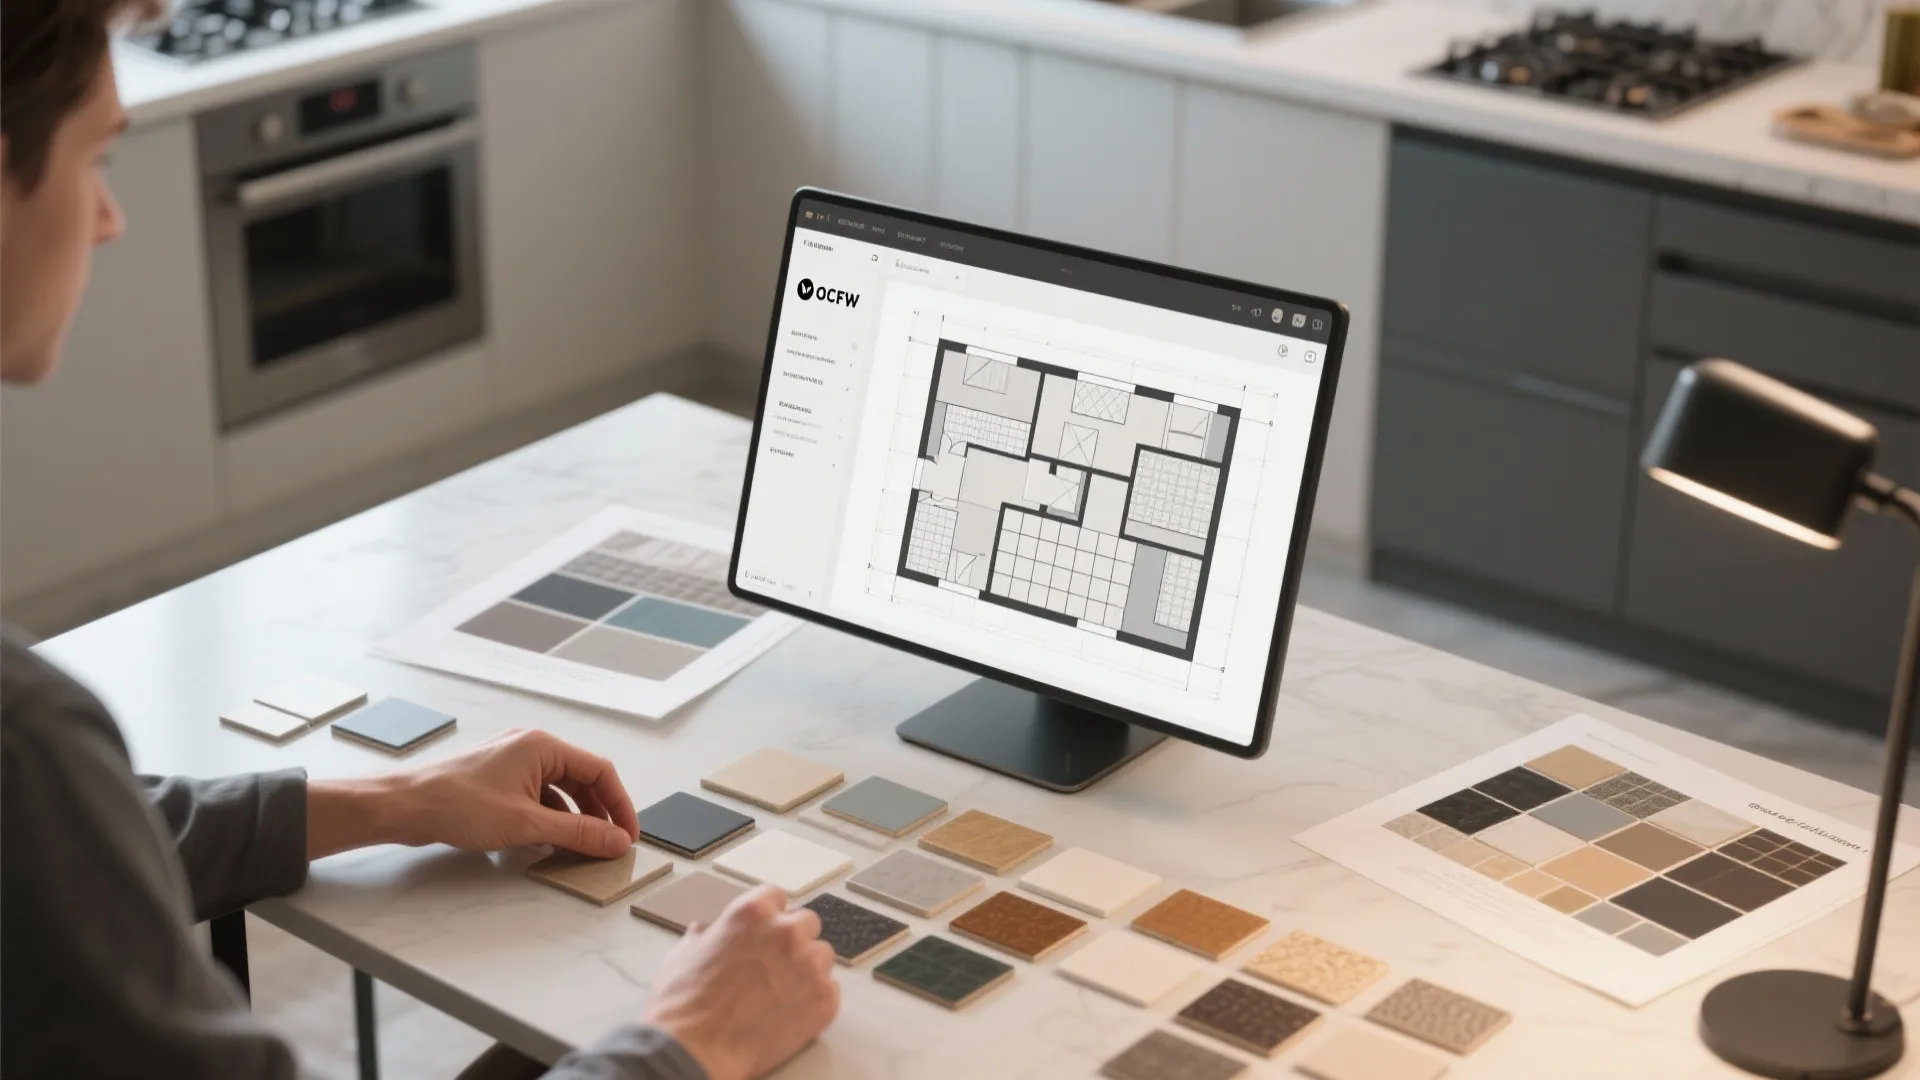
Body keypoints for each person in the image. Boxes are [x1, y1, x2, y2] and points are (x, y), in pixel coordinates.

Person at [0, 2, 840, 1078]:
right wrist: (688, 1043)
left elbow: (46, 860)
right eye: (96, 157)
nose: (110, 219)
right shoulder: (31, 741)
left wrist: (391, 801)